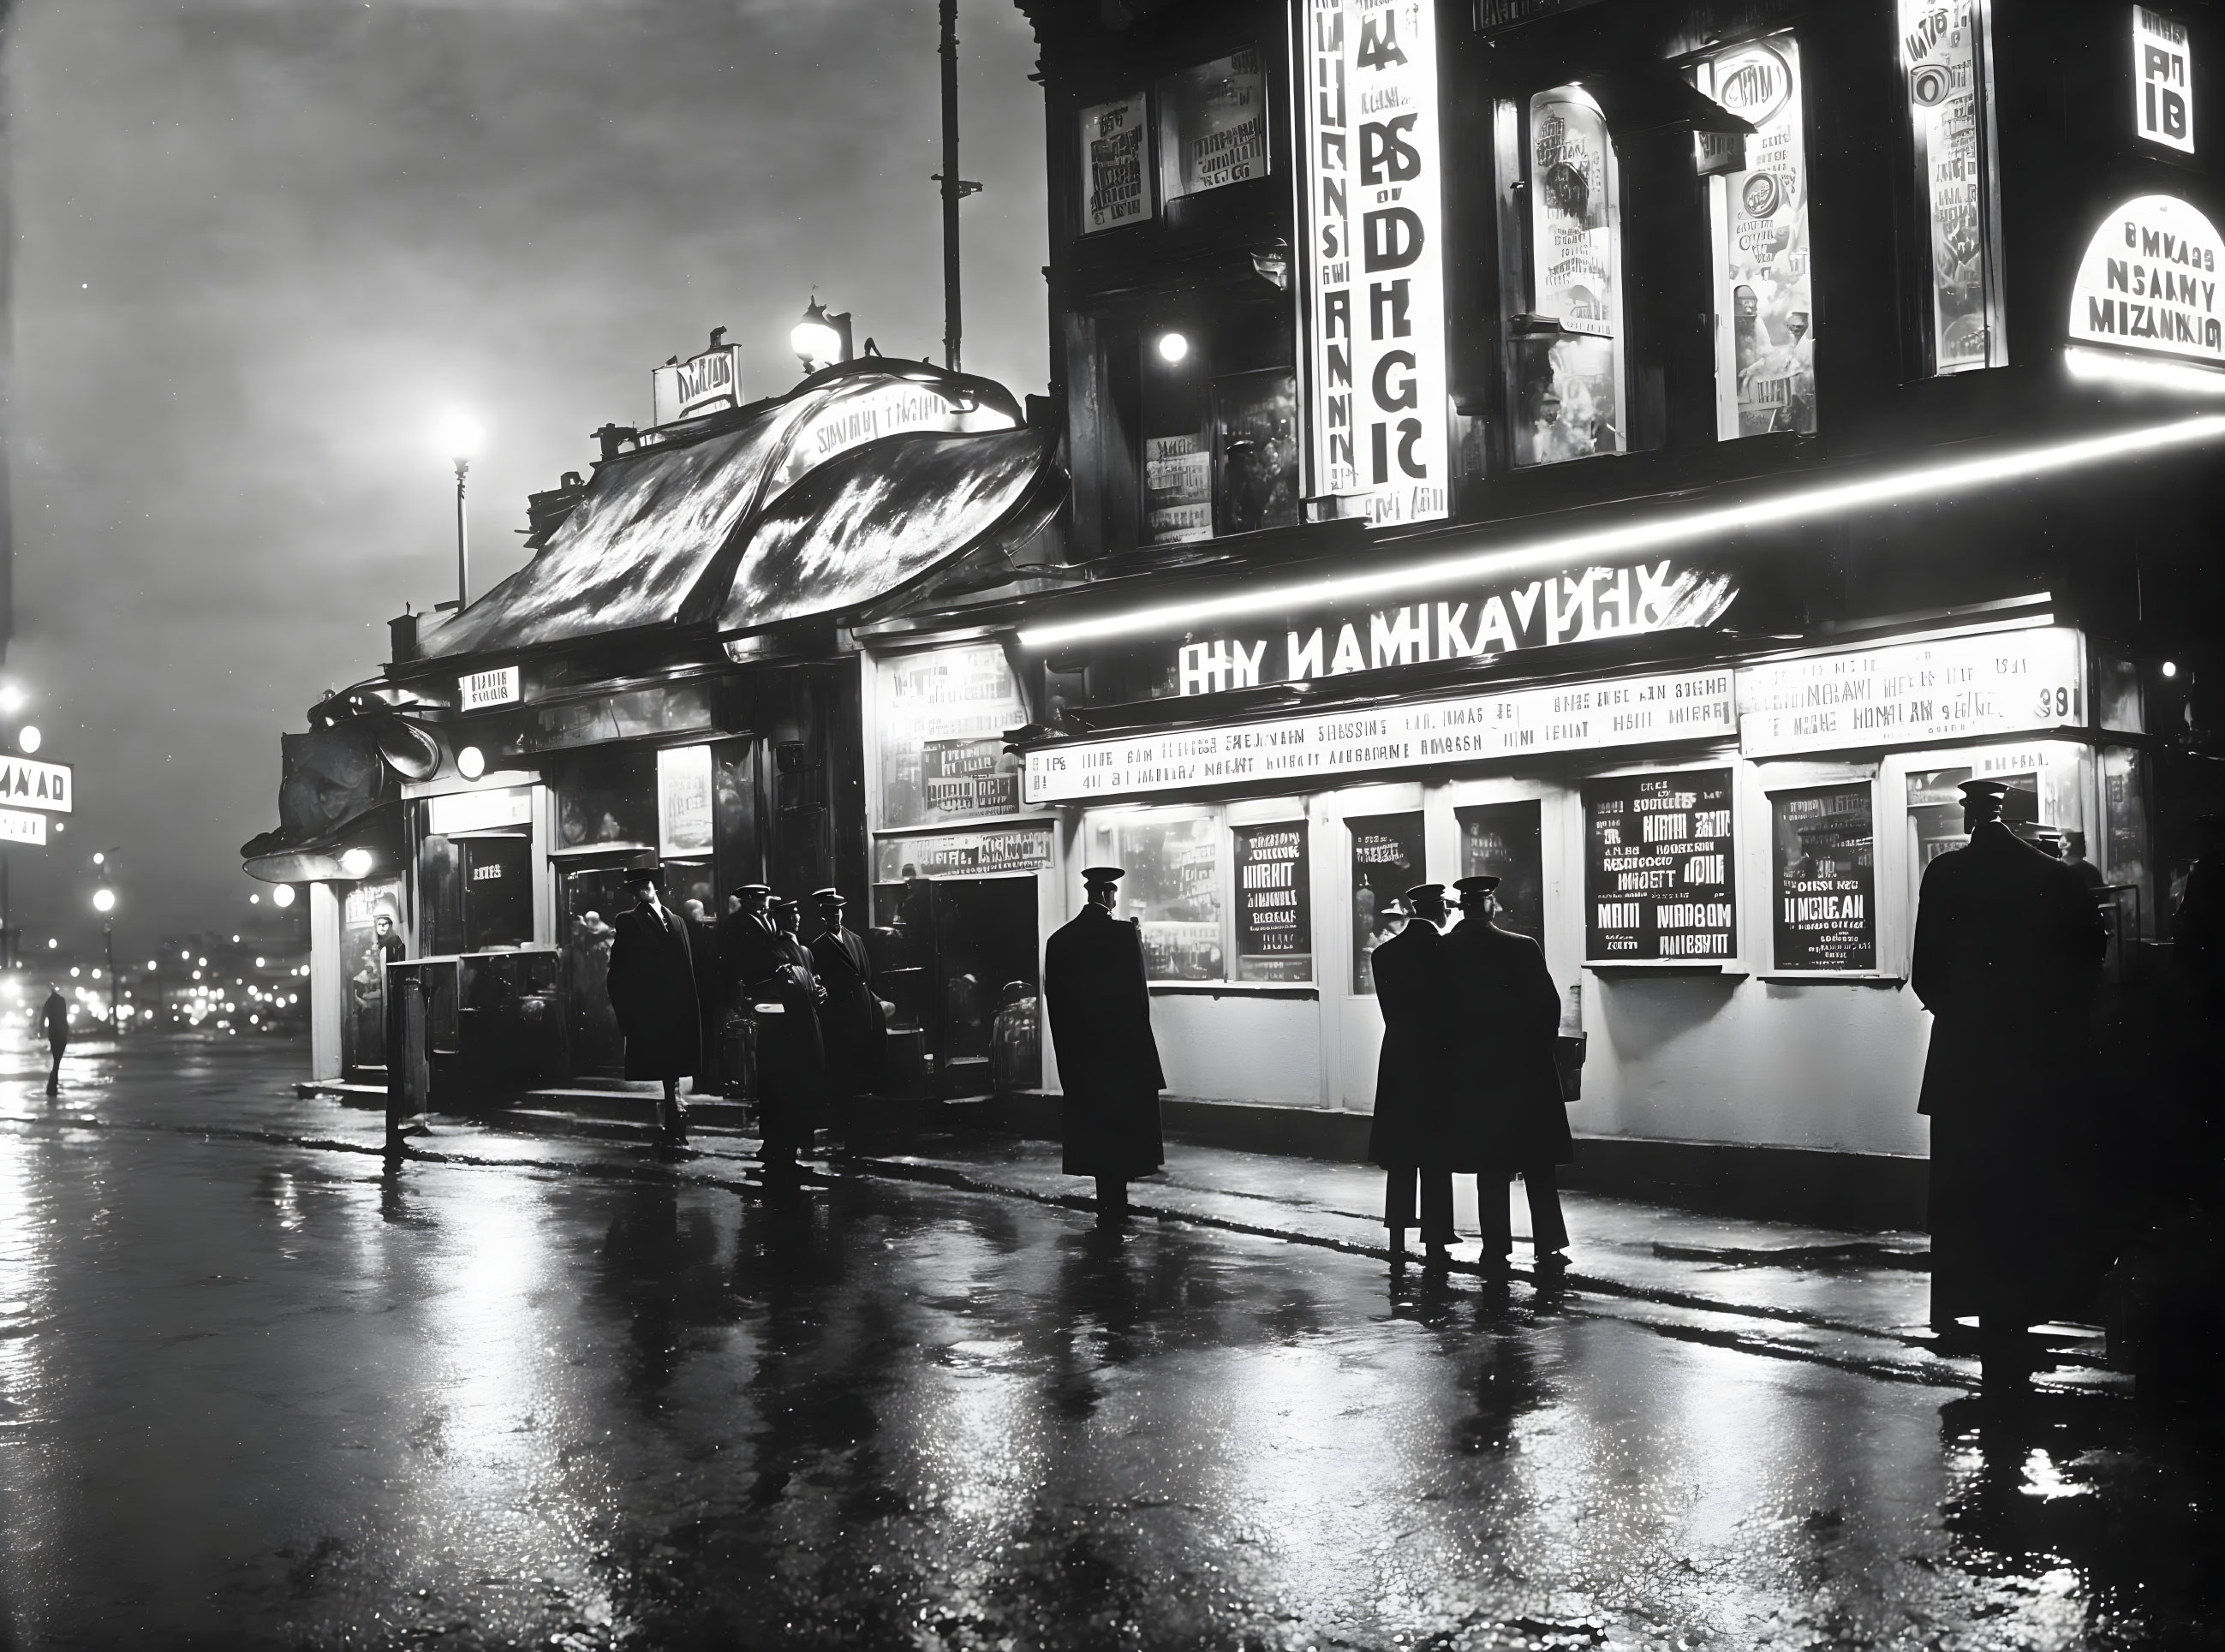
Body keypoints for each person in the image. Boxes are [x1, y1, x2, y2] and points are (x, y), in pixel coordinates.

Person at [1912, 778, 2106, 1381]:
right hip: (2033, 1062)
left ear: (1968, 816)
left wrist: (1970, 1017)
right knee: (2028, 1188)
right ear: (2014, 819)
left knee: (1967, 1190)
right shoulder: (2055, 876)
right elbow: (2087, 964)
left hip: (1964, 1063)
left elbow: (1926, 974)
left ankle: (1966, 1305)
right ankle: (2025, 1307)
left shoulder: (1944, 875)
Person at [1447, 874, 1574, 1273]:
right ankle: (1549, 1244)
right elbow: (1548, 1006)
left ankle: (1495, 1247)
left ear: (1461, 907)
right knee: (1538, 1164)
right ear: (1489, 905)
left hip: (1475, 1073)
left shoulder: (1445, 951)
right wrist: (1535, 1051)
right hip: (1524, 1070)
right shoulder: (1521, 947)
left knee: (1490, 1164)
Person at [1043, 866, 1166, 1232]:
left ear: (1088, 894)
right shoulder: (1122, 934)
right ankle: (1117, 1204)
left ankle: (1105, 1204)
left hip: (1082, 1060)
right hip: (1121, 1058)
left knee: (1094, 1136)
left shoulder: (1059, 940)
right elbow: (1137, 999)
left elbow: (1056, 1005)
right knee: (1121, 1137)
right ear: (1110, 896)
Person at [1366, 883, 1463, 1268]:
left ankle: (1397, 1235)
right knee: (1436, 1152)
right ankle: (1437, 1238)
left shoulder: (1384, 954)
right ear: (1439, 910)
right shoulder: (1448, 952)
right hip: (1438, 1060)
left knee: (1402, 1151)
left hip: (1399, 1057)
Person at [604, 865, 701, 1147]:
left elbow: (689, 968)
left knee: (675, 1070)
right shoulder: (629, 921)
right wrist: (629, 1017)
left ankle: (675, 1126)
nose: (642, 888)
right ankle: (674, 1127)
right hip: (654, 1012)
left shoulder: (678, 921)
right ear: (633, 892)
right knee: (667, 1071)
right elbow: (618, 974)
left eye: (645, 882)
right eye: (636, 886)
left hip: (679, 1010)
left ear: (654, 884)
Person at [749, 896, 828, 1183]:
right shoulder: (771, 949)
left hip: (805, 1024)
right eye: (787, 915)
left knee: (799, 1090)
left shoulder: (805, 950)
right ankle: (780, 1155)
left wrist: (819, 991)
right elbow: (770, 988)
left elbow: (814, 982)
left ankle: (789, 1153)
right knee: (783, 1092)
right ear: (777, 920)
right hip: (783, 1031)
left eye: (796, 914)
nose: (794, 918)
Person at [810, 887, 886, 1144]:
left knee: (863, 1067)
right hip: (839, 1017)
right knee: (843, 1072)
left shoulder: (855, 939)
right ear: (822, 916)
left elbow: (867, 976)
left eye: (838, 911)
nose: (835, 916)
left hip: (863, 1011)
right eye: (829, 912)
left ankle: (862, 1124)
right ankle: (843, 1124)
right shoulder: (818, 946)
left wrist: (874, 1003)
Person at [41, 985, 68, 1096]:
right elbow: (64, 1017)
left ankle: (52, 1086)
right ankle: (52, 1086)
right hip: (61, 1033)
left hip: (53, 1033)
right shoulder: (61, 1001)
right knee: (57, 1060)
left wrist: (41, 1032)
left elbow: (43, 1018)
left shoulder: (48, 1003)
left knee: (56, 1059)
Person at [2063, 830, 2107, 894]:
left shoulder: (2059, 866)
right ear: (2075, 847)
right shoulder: (2088, 869)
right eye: (2083, 844)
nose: (2085, 847)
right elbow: (2102, 896)